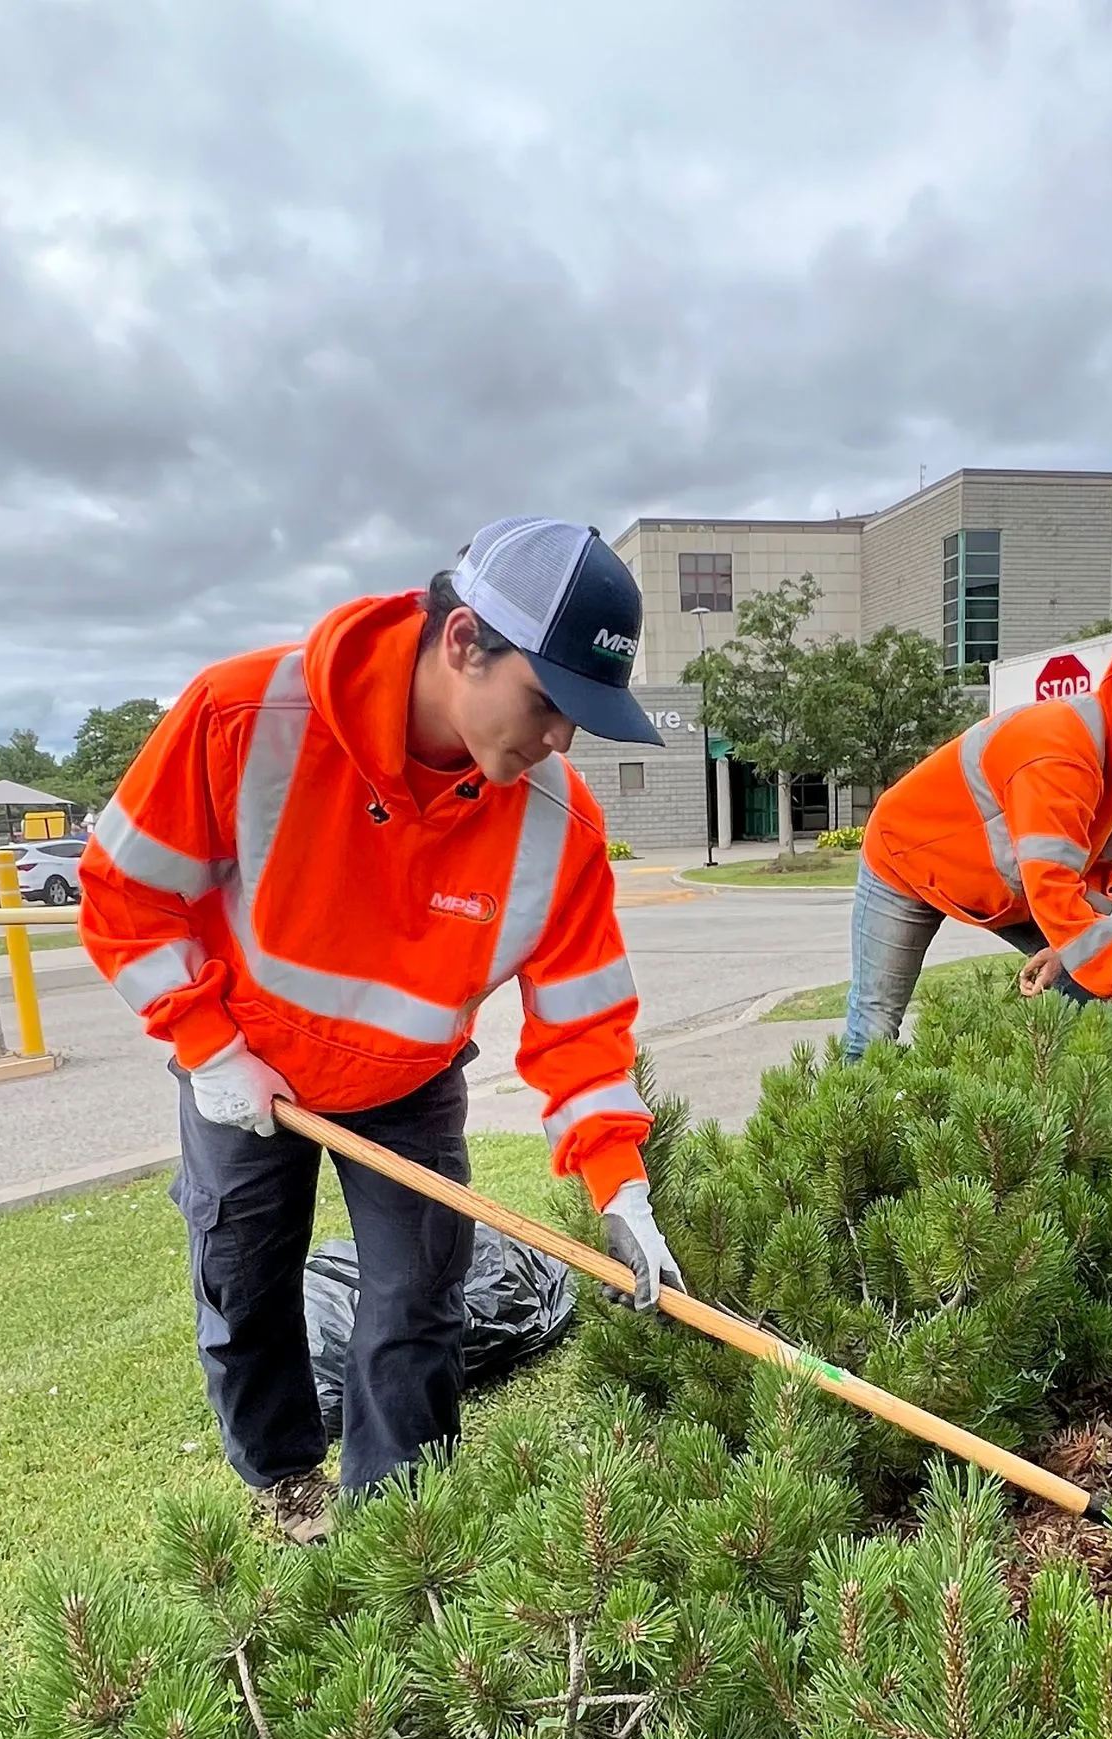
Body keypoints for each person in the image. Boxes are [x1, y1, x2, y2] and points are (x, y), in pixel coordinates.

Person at [79, 517, 684, 1542]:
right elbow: (125, 893)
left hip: (408, 1085)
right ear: (462, 644)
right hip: (245, 1065)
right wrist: (211, 1048)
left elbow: (580, 1020)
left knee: (417, 1297)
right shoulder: (244, 716)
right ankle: (285, 1478)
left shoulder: (559, 822)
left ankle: (400, 1520)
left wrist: (620, 1183)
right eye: (546, 702)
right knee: (241, 1277)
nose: (559, 742)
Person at [845, 634, 1112, 1058]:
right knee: (875, 1023)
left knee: (1087, 975)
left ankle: (1062, 1105)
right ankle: (855, 1119)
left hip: (1002, 885)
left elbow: (1098, 874)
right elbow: (1054, 886)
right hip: (903, 860)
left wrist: (1064, 949)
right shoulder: (1056, 750)